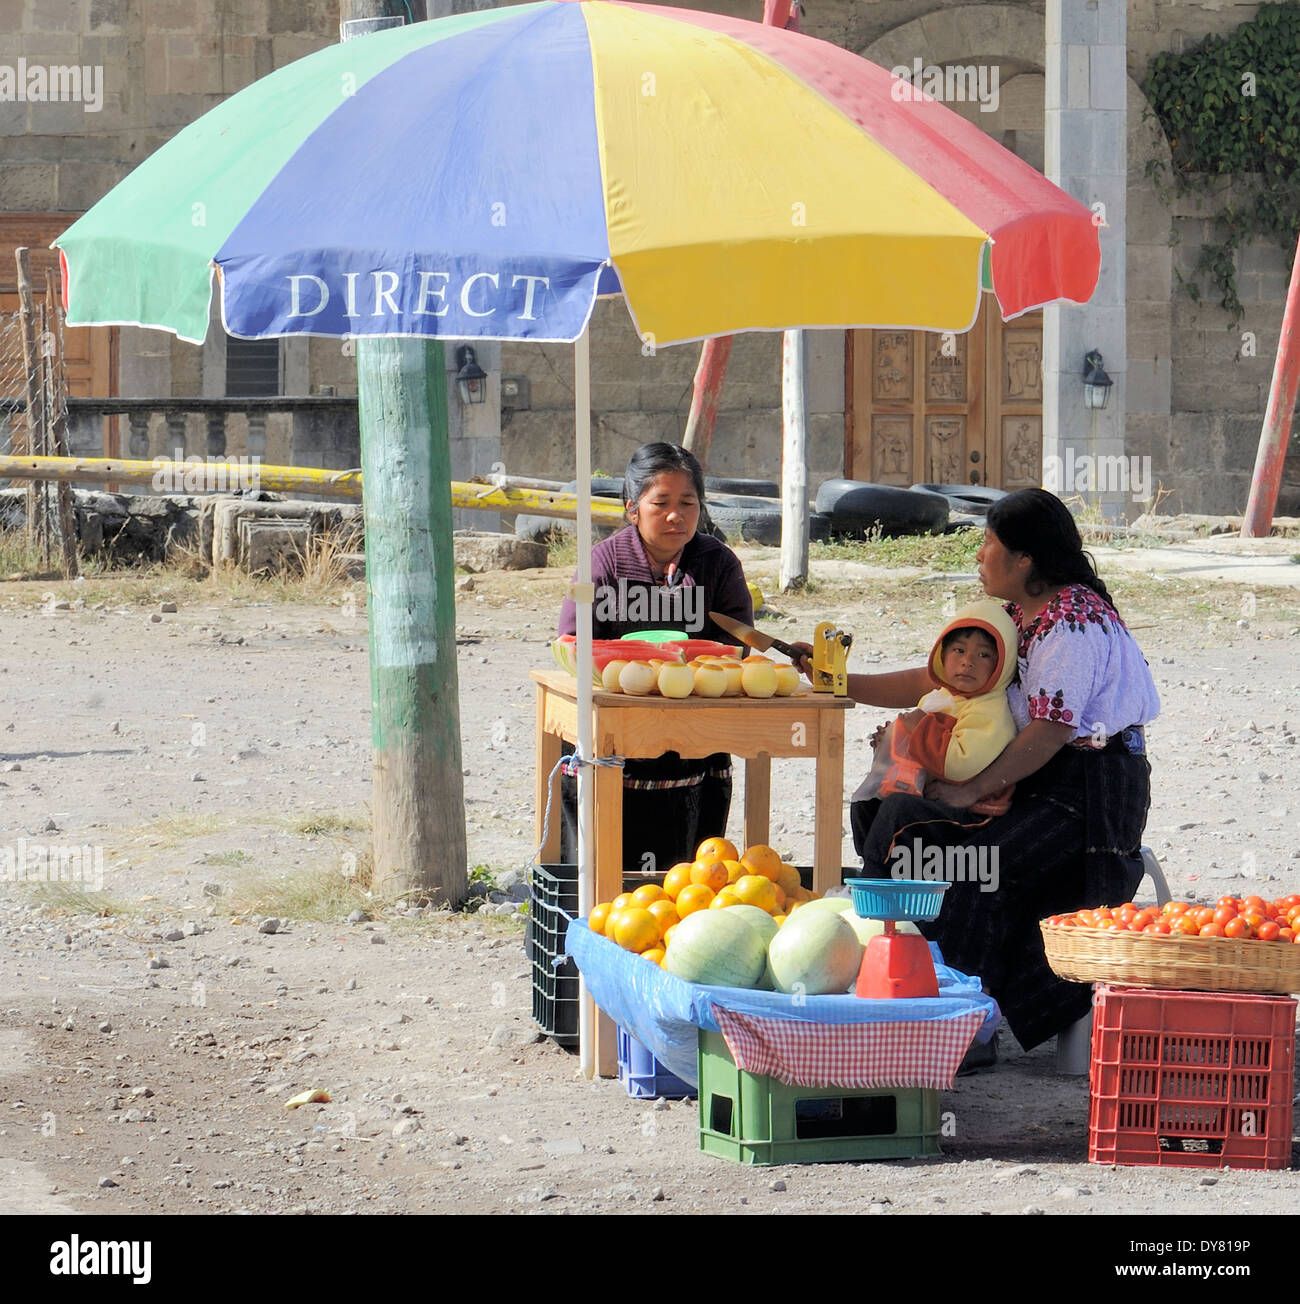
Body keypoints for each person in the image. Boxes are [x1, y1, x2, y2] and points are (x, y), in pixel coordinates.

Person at [803, 488, 1160, 1057]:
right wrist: (837, 679)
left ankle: (969, 1021)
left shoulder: (1071, 622)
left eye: (988, 543)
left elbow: (1051, 731)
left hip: (1089, 797)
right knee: (890, 807)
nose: (978, 555)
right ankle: (910, 986)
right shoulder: (1020, 614)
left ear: (1024, 560)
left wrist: (973, 788)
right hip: (1036, 776)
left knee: (966, 863)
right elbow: (941, 680)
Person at [556, 442, 753, 875]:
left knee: (687, 874)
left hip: (696, 739)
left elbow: (738, 645)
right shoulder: (602, 564)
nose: (675, 516)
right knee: (604, 867)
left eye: (688, 503)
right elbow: (571, 640)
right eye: (660, 503)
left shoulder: (718, 564)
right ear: (632, 508)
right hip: (615, 735)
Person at [849, 598, 1019, 843]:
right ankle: (874, 869)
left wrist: (917, 726)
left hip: (972, 811)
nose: (967, 661)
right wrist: (891, 742)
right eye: (959, 650)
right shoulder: (943, 695)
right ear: (942, 654)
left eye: (984, 655)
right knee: (865, 804)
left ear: (1002, 665)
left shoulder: (989, 710)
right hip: (930, 791)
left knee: (897, 811)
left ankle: (877, 876)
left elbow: (959, 764)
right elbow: (916, 745)